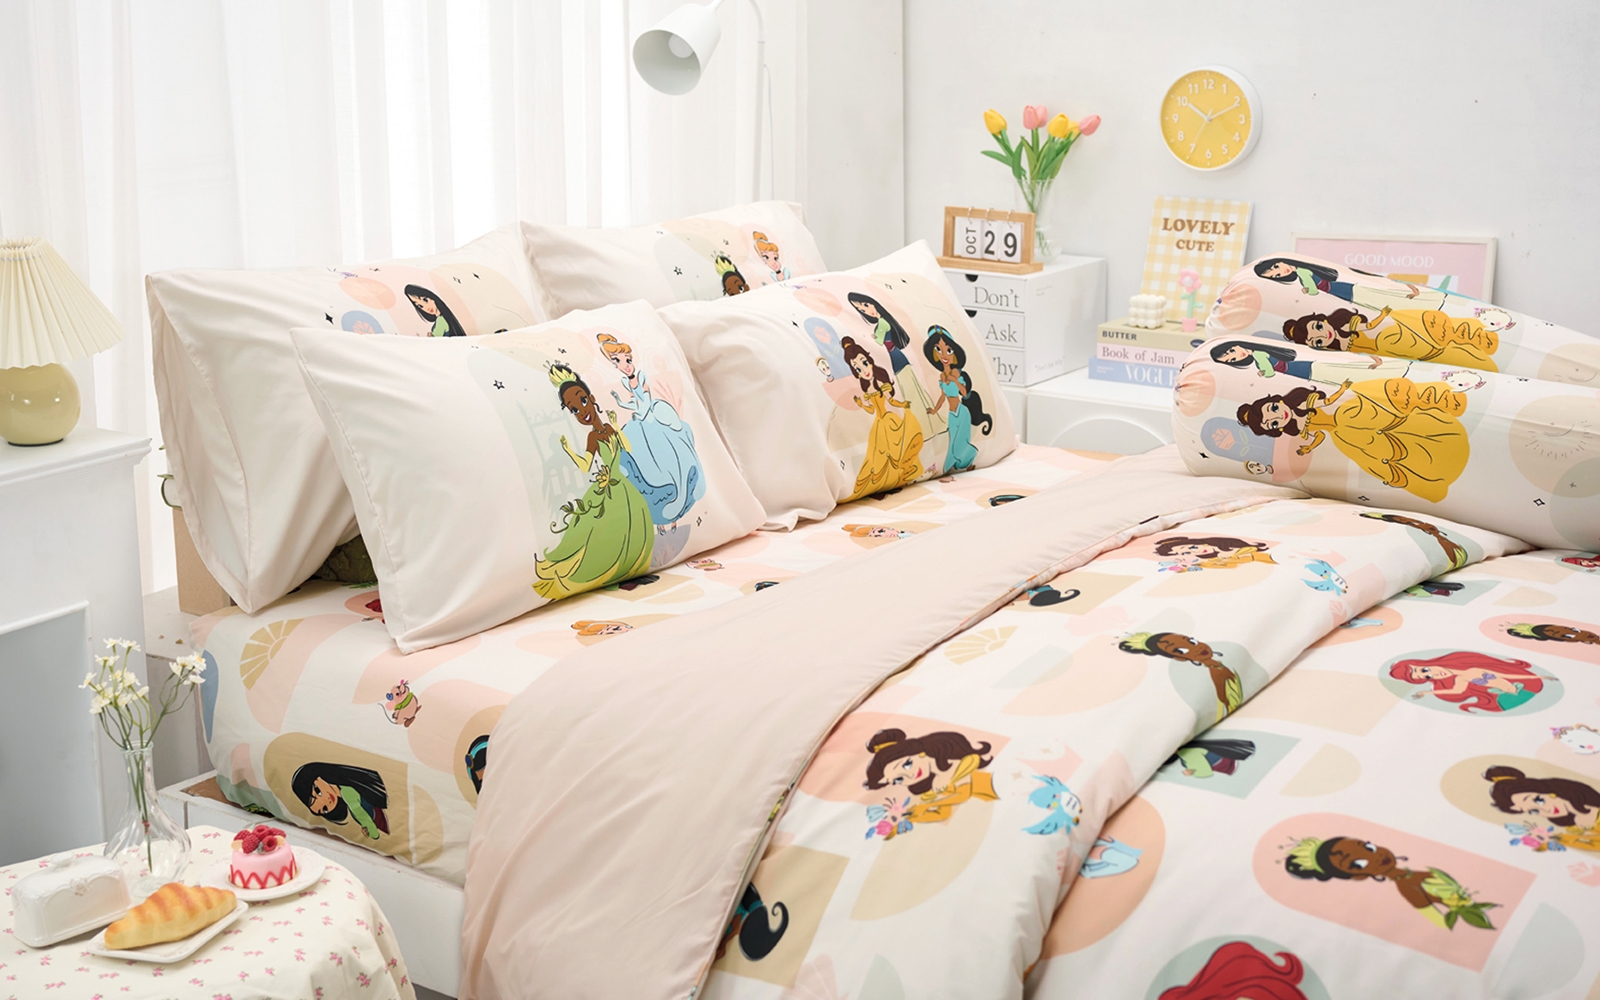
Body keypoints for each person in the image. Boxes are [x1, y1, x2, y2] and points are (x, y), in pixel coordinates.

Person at [1236, 379, 1469, 503]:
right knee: (1371, 454)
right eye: (1273, 423)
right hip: (1341, 434)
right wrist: (1309, 447)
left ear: (1277, 401)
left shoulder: (1304, 402)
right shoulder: (1300, 427)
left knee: (1372, 430)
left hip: (1346, 416)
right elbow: (1319, 435)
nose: (1279, 417)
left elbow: (1328, 402)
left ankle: (1419, 443)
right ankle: (1419, 472)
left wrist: (1343, 390)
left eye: (1273, 410)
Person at [534, 364, 655, 600]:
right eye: (574, 409)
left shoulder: (608, 428)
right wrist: (568, 450)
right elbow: (585, 465)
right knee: (592, 531)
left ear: (591, 398)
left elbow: (627, 447)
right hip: (607, 487)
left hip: (621, 486)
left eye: (582, 401)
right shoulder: (592, 437)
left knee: (634, 526)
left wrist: (616, 426)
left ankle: (630, 569)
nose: (582, 411)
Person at [596, 332, 704, 526]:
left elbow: (645, 400)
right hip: (641, 416)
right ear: (614, 365)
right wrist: (620, 402)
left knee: (670, 454)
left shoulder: (641, 376)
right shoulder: (625, 382)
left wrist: (639, 412)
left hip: (651, 415)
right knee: (639, 457)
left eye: (628, 359)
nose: (626, 365)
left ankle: (679, 491)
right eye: (618, 361)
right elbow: (636, 403)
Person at [1284, 835, 1497, 930]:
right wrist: (1462, 909)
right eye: (1357, 864)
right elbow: (1440, 923)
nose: (1376, 856)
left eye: (1368, 847)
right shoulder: (1408, 887)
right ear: (1358, 876)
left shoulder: (1412, 876)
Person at [840, 336, 923, 499]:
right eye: (858, 369)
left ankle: (896, 476)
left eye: (864, 363)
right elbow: (871, 409)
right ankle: (884, 481)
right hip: (879, 424)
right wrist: (861, 404)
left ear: (869, 360)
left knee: (894, 451)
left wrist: (903, 404)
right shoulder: (867, 389)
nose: (864, 370)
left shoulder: (880, 383)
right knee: (879, 455)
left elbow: (890, 400)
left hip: (889, 420)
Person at [923, 326, 994, 474]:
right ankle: (957, 465)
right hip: (952, 413)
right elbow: (943, 396)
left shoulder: (956, 373)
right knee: (953, 442)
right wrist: (934, 410)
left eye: (949, 351)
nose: (944, 355)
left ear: (955, 354)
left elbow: (964, 392)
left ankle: (969, 460)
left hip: (962, 412)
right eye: (938, 350)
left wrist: (955, 380)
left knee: (960, 442)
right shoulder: (942, 376)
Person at [1388, 651, 1548, 713]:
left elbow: (1504, 674)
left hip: (1520, 689)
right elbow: (1456, 691)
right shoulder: (1461, 679)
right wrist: (1427, 692)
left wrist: (1535, 677)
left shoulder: (1469, 666)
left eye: (1425, 670)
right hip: (1504, 699)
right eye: (1427, 677)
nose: (1432, 674)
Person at [291, 762, 389, 841]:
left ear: (319, 776)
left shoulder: (347, 793)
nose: (327, 802)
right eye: (325, 809)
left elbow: (365, 819)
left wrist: (373, 833)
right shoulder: (346, 788)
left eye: (318, 791)